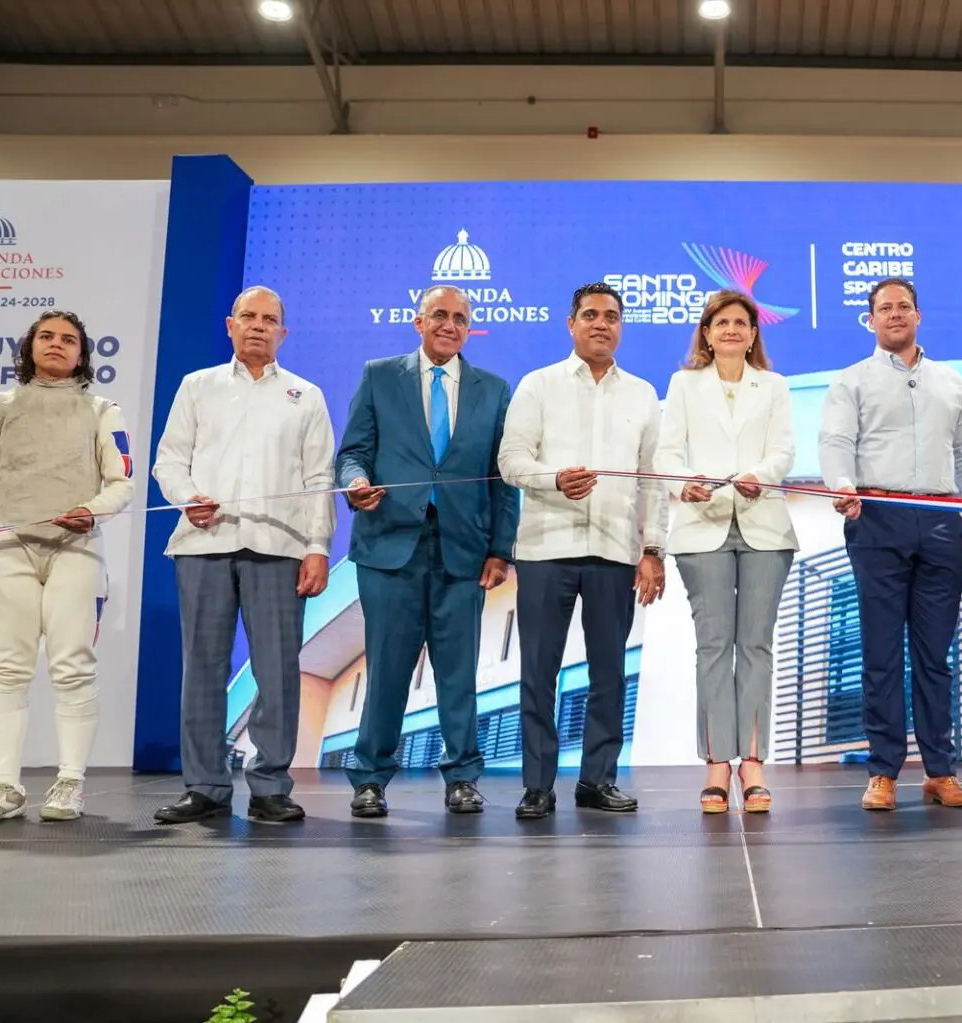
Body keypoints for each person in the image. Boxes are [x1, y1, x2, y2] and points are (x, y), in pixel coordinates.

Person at [152, 286, 335, 824]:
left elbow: (319, 478)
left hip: (278, 549)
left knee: (277, 670)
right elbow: (169, 461)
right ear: (230, 325)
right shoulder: (198, 386)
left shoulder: (306, 395)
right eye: (248, 317)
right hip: (204, 546)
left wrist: (318, 547)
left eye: (269, 319)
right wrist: (188, 498)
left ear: (284, 332)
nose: (258, 326)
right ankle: (205, 786)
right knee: (202, 668)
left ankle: (270, 786)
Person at [336, 284, 520, 818]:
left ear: (469, 328)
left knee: (458, 674)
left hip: (463, 551)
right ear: (419, 322)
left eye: (460, 318)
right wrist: (355, 481)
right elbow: (353, 452)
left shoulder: (493, 390)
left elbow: (503, 480)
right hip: (389, 545)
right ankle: (370, 779)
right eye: (440, 315)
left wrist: (500, 549)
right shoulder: (379, 376)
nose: (449, 325)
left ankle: (462, 777)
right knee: (388, 672)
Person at [817, 277, 962, 812]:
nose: (895, 314)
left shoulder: (951, 382)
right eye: (885, 308)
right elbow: (836, 441)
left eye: (904, 307)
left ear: (918, 315)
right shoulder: (851, 380)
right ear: (870, 320)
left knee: (935, 656)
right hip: (876, 518)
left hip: (940, 520)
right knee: (882, 653)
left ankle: (941, 771)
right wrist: (842, 486)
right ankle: (883, 773)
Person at [499, 282, 667, 820]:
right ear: (571, 324)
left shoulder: (642, 394)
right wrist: (553, 479)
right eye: (590, 315)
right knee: (538, 672)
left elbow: (653, 480)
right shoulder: (538, 385)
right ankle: (537, 786)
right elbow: (511, 460)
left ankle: (598, 780)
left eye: (611, 316)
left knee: (609, 673)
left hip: (615, 551)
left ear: (621, 327)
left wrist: (653, 548)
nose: (601, 324)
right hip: (546, 547)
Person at [0, 311, 133, 824]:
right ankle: (5, 787)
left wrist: (92, 510)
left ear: (82, 355)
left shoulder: (102, 410)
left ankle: (70, 782)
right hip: (7, 544)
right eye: (46, 336)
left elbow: (122, 482)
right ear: (29, 346)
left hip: (76, 547)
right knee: (6, 669)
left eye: (69, 339)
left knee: (72, 666)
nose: (56, 344)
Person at [655, 290, 797, 814]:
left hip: (765, 527)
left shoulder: (774, 386)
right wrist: (683, 483)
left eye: (741, 322)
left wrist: (760, 475)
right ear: (707, 334)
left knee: (756, 645)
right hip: (703, 526)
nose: (732, 329)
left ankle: (753, 764)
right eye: (722, 323)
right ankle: (718, 762)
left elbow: (783, 449)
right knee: (713, 647)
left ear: (753, 334)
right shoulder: (684, 384)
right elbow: (667, 453)